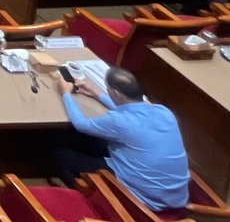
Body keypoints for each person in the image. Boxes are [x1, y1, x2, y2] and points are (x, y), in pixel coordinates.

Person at [50, 67, 189, 213]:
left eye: (108, 90)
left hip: (144, 204)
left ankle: (92, 199)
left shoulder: (118, 121)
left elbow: (80, 124)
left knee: (60, 156)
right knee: (97, 141)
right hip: (174, 198)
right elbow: (131, 109)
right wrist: (97, 94)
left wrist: (65, 93)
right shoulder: (163, 111)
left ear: (115, 93)